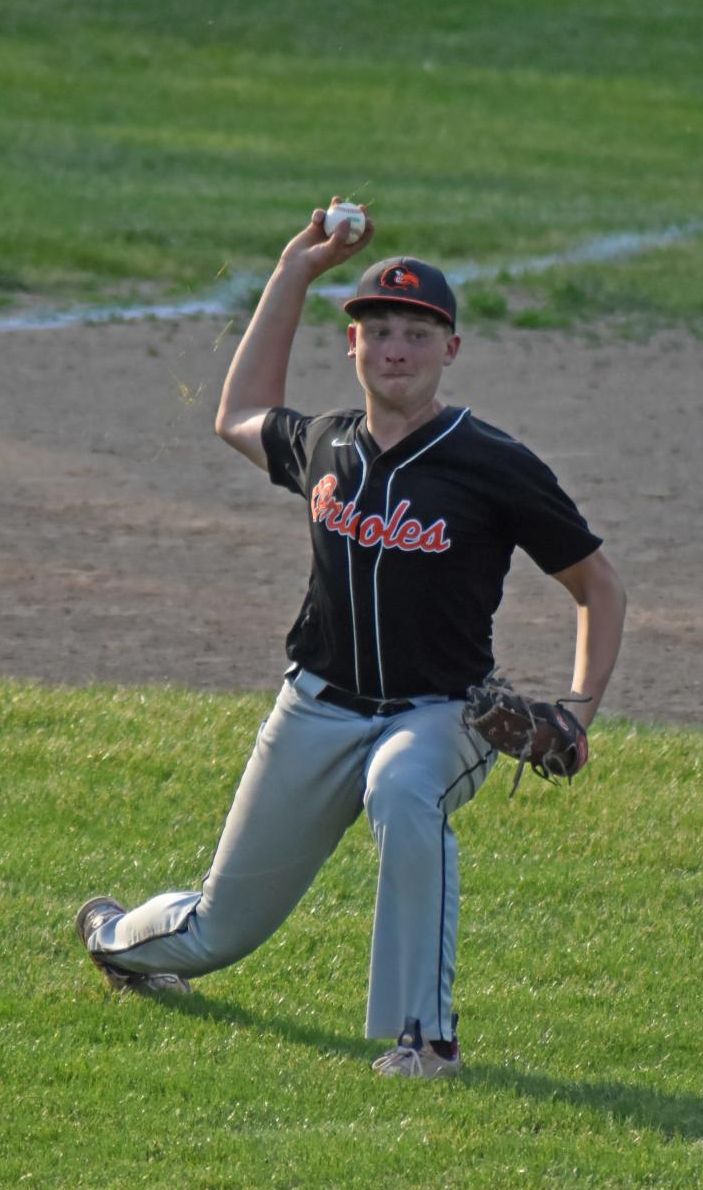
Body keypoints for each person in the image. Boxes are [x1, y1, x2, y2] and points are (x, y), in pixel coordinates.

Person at [76, 199, 626, 1079]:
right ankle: (113, 936)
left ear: (450, 350)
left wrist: (578, 709)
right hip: (315, 709)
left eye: (416, 332)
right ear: (355, 345)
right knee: (218, 930)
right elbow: (240, 412)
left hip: (444, 714)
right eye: (377, 330)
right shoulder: (325, 443)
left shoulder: (494, 465)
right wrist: (297, 268)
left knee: (404, 790)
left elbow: (597, 585)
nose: (395, 348)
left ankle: (428, 1037)